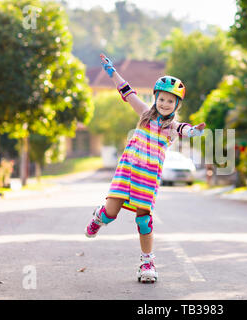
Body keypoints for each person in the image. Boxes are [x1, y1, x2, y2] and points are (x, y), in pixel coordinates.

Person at [84, 53, 206, 283]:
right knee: (111, 213)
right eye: (161, 99)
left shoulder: (172, 127)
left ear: (176, 105)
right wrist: (112, 72)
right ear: (155, 98)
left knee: (143, 219)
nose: (165, 104)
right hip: (128, 170)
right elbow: (127, 92)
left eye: (171, 101)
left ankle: (147, 262)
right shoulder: (144, 115)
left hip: (148, 177)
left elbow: (185, 129)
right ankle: (99, 218)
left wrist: (194, 131)